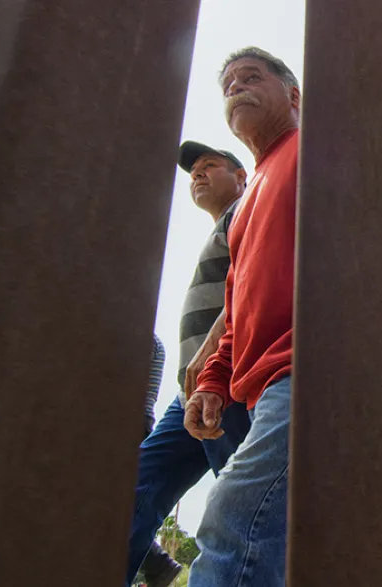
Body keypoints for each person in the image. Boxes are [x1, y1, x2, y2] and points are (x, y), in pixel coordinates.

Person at [182, 46, 300, 587]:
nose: (236, 87)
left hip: (304, 368)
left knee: (232, 519)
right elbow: (236, 306)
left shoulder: (317, 147)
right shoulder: (247, 201)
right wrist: (212, 379)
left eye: (251, 78)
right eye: (228, 83)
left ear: (294, 95)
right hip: (257, 389)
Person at [125, 141, 253, 587]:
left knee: (245, 507)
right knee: (136, 488)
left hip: (230, 379)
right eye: (193, 171)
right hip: (188, 395)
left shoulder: (249, 208)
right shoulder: (220, 226)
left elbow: (252, 283)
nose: (197, 175)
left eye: (209, 166)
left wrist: (214, 350)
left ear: (241, 176)